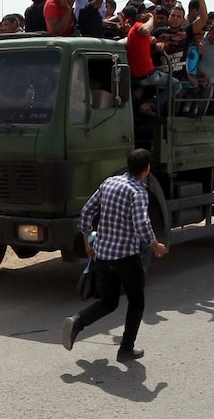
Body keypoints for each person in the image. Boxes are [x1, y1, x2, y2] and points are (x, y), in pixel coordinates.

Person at [62, 149, 168, 362]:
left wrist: (87, 243)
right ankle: (126, 349)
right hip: (126, 258)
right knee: (136, 302)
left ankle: (78, 321)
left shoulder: (109, 183)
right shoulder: (138, 191)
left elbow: (86, 213)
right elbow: (141, 224)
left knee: (109, 301)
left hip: (103, 255)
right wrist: (156, 245)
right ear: (146, 169)